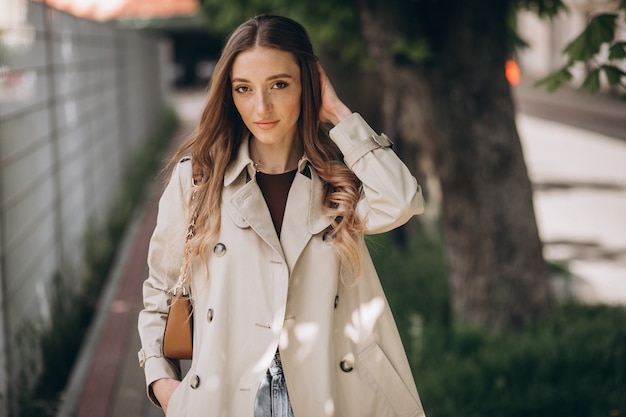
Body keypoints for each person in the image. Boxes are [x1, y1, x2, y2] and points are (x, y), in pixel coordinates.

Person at [137, 14, 426, 417]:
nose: (262, 106)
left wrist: (339, 113)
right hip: (229, 398)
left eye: (279, 84)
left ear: (307, 84)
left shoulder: (340, 177)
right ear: (229, 94)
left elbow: (402, 200)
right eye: (244, 89)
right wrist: (163, 382)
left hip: (328, 390)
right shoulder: (199, 179)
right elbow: (161, 290)